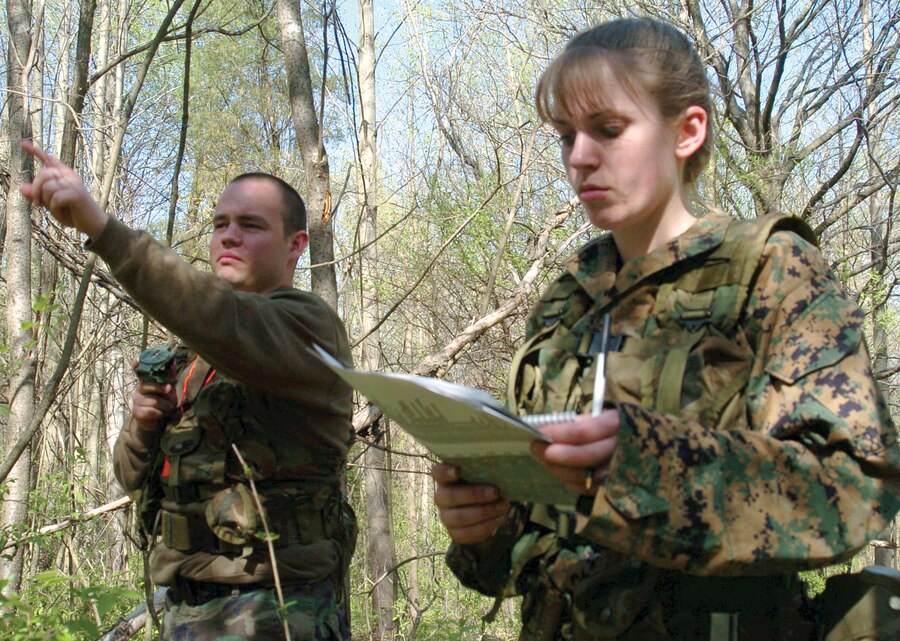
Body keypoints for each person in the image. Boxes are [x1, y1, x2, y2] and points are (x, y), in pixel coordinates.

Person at [432, 17, 900, 641]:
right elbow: (541, 547)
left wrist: (644, 464)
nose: (578, 157)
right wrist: (486, 530)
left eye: (608, 129)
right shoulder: (568, 297)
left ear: (688, 131)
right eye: (565, 135)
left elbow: (850, 489)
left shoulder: (768, 268)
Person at [21, 141, 358, 641]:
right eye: (220, 224)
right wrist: (143, 423)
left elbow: (222, 316)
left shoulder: (308, 328)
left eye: (251, 225)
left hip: (278, 611)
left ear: (296, 244)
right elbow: (133, 476)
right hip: (186, 610)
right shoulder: (191, 358)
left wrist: (104, 230)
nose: (229, 237)